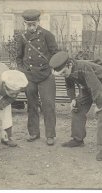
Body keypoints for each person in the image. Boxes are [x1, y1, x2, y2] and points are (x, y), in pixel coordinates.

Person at [50, 51, 102, 161]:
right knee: (76, 108)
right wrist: (73, 99)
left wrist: (99, 104)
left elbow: (96, 87)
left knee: (101, 115)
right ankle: (78, 139)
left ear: (69, 65)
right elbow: (69, 86)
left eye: (64, 73)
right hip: (88, 87)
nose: (63, 75)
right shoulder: (67, 69)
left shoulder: (83, 67)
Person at [16, 9, 59, 145]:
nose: (31, 27)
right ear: (25, 24)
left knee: (48, 105)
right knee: (32, 106)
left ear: (38, 22)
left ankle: (50, 135)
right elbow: (18, 57)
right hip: (30, 77)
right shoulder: (22, 37)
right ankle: (34, 132)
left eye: (33, 24)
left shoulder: (47, 35)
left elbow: (55, 53)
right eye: (28, 24)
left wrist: (51, 67)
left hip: (46, 75)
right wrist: (23, 71)